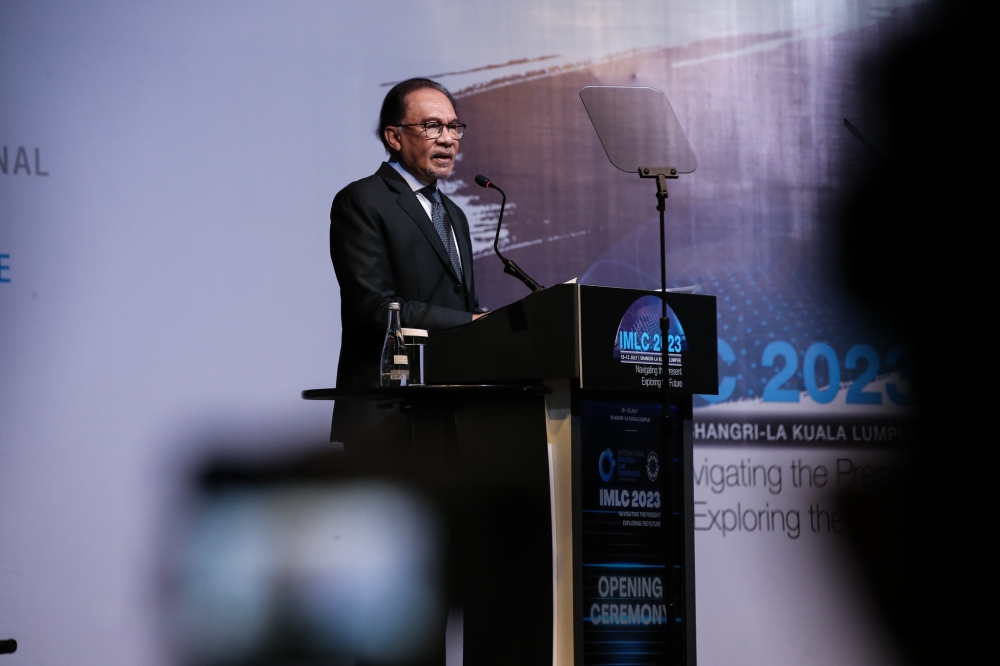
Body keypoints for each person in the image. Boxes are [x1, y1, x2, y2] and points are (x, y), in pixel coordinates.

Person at [329, 78, 485, 447]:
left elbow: (462, 304)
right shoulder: (363, 200)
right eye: (432, 126)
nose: (447, 139)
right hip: (388, 414)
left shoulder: (455, 214)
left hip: (451, 413)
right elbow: (375, 309)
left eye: (453, 127)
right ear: (394, 137)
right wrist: (471, 323)